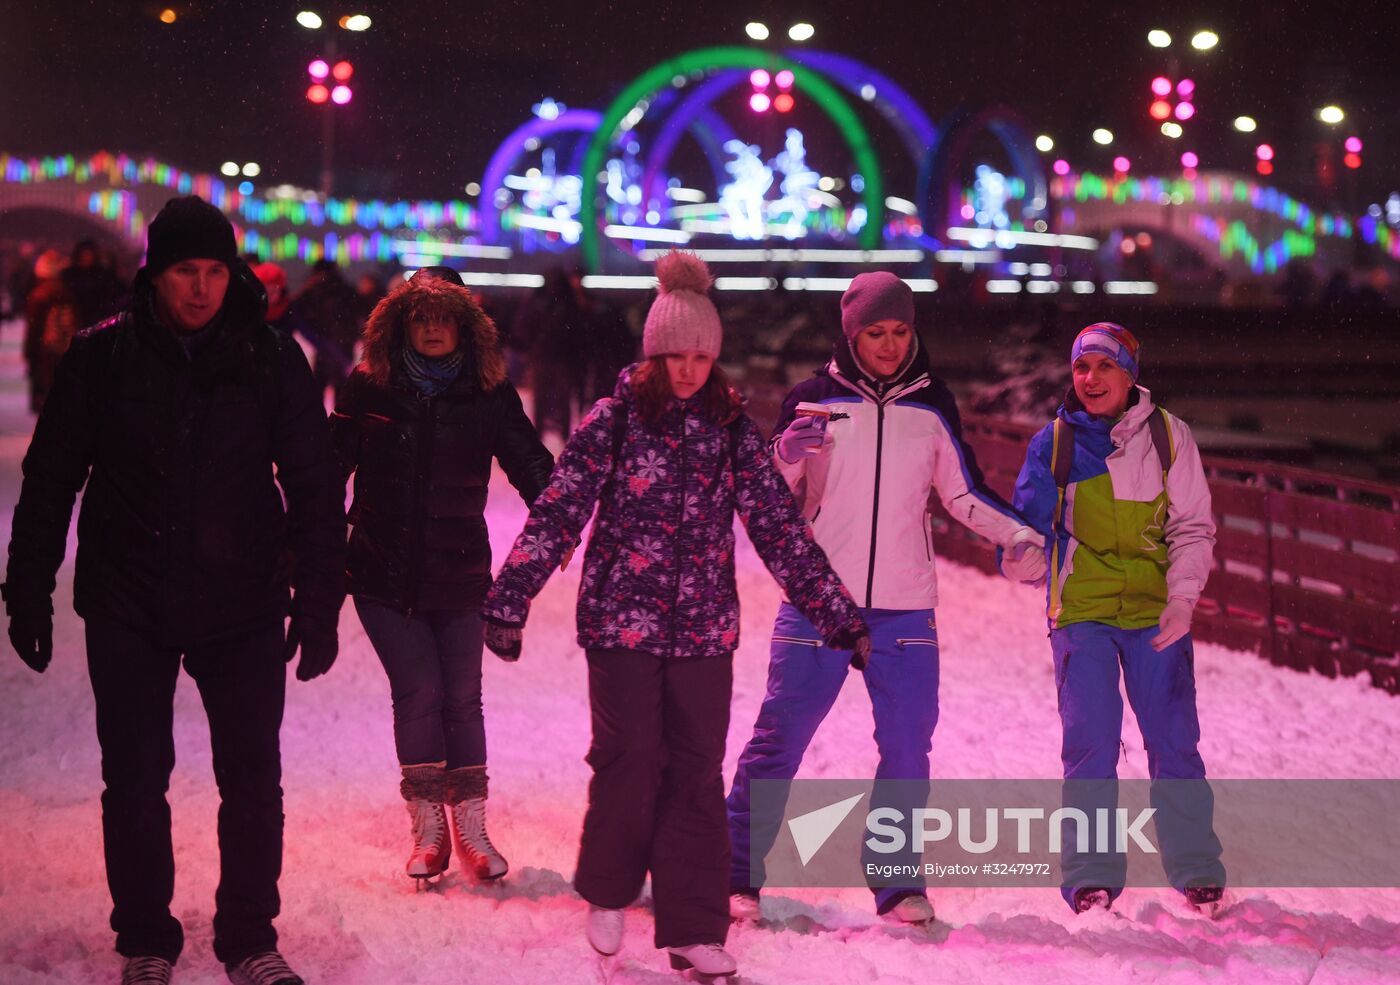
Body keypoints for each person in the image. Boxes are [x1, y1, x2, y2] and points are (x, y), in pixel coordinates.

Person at [482, 252, 870, 979]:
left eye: (701, 355)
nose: (689, 370)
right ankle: (607, 887)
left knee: (695, 774)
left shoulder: (729, 428)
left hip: (703, 631)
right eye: (675, 355)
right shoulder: (614, 419)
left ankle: (694, 928)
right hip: (619, 626)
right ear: (653, 353)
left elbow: (779, 530)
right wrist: (509, 597)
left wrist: (838, 615)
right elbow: (560, 510)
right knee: (629, 762)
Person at [2, 196, 347, 985]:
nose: (200, 288)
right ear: (153, 275)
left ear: (232, 275)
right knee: (133, 776)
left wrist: (321, 598)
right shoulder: (102, 357)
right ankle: (147, 937)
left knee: (253, 778)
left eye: (214, 271)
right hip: (130, 593)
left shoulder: (268, 357)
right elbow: (52, 477)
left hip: (245, 595)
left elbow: (315, 483)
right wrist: (27, 585)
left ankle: (250, 935)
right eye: (185, 271)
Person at [725, 271, 1045, 927]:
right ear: (852, 333)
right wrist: (783, 450)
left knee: (907, 746)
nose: (891, 344)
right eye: (877, 332)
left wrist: (1017, 532)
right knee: (778, 739)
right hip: (818, 601)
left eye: (901, 331)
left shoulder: (932, 407)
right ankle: (734, 871)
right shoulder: (812, 399)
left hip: (905, 606)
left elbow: (963, 493)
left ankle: (898, 883)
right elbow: (761, 490)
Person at [330, 268, 554, 886]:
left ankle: (473, 830)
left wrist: (562, 518)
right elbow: (326, 470)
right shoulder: (371, 386)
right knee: (420, 692)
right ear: (401, 323)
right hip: (383, 572)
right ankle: (429, 827)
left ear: (465, 325)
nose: (432, 328)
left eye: (444, 316)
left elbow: (530, 462)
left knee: (462, 698)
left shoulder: (487, 391)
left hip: (459, 573)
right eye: (420, 316)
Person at [1000, 321, 1225, 913]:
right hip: (1083, 612)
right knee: (1092, 746)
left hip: (1156, 615)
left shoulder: (1170, 438)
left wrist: (1182, 600)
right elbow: (1026, 533)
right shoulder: (1055, 443)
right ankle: (1091, 877)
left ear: (1130, 374)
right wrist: (1020, 553)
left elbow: (1193, 527)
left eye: (1104, 366)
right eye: (1081, 367)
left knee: (1175, 743)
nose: (1091, 378)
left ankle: (1197, 868)